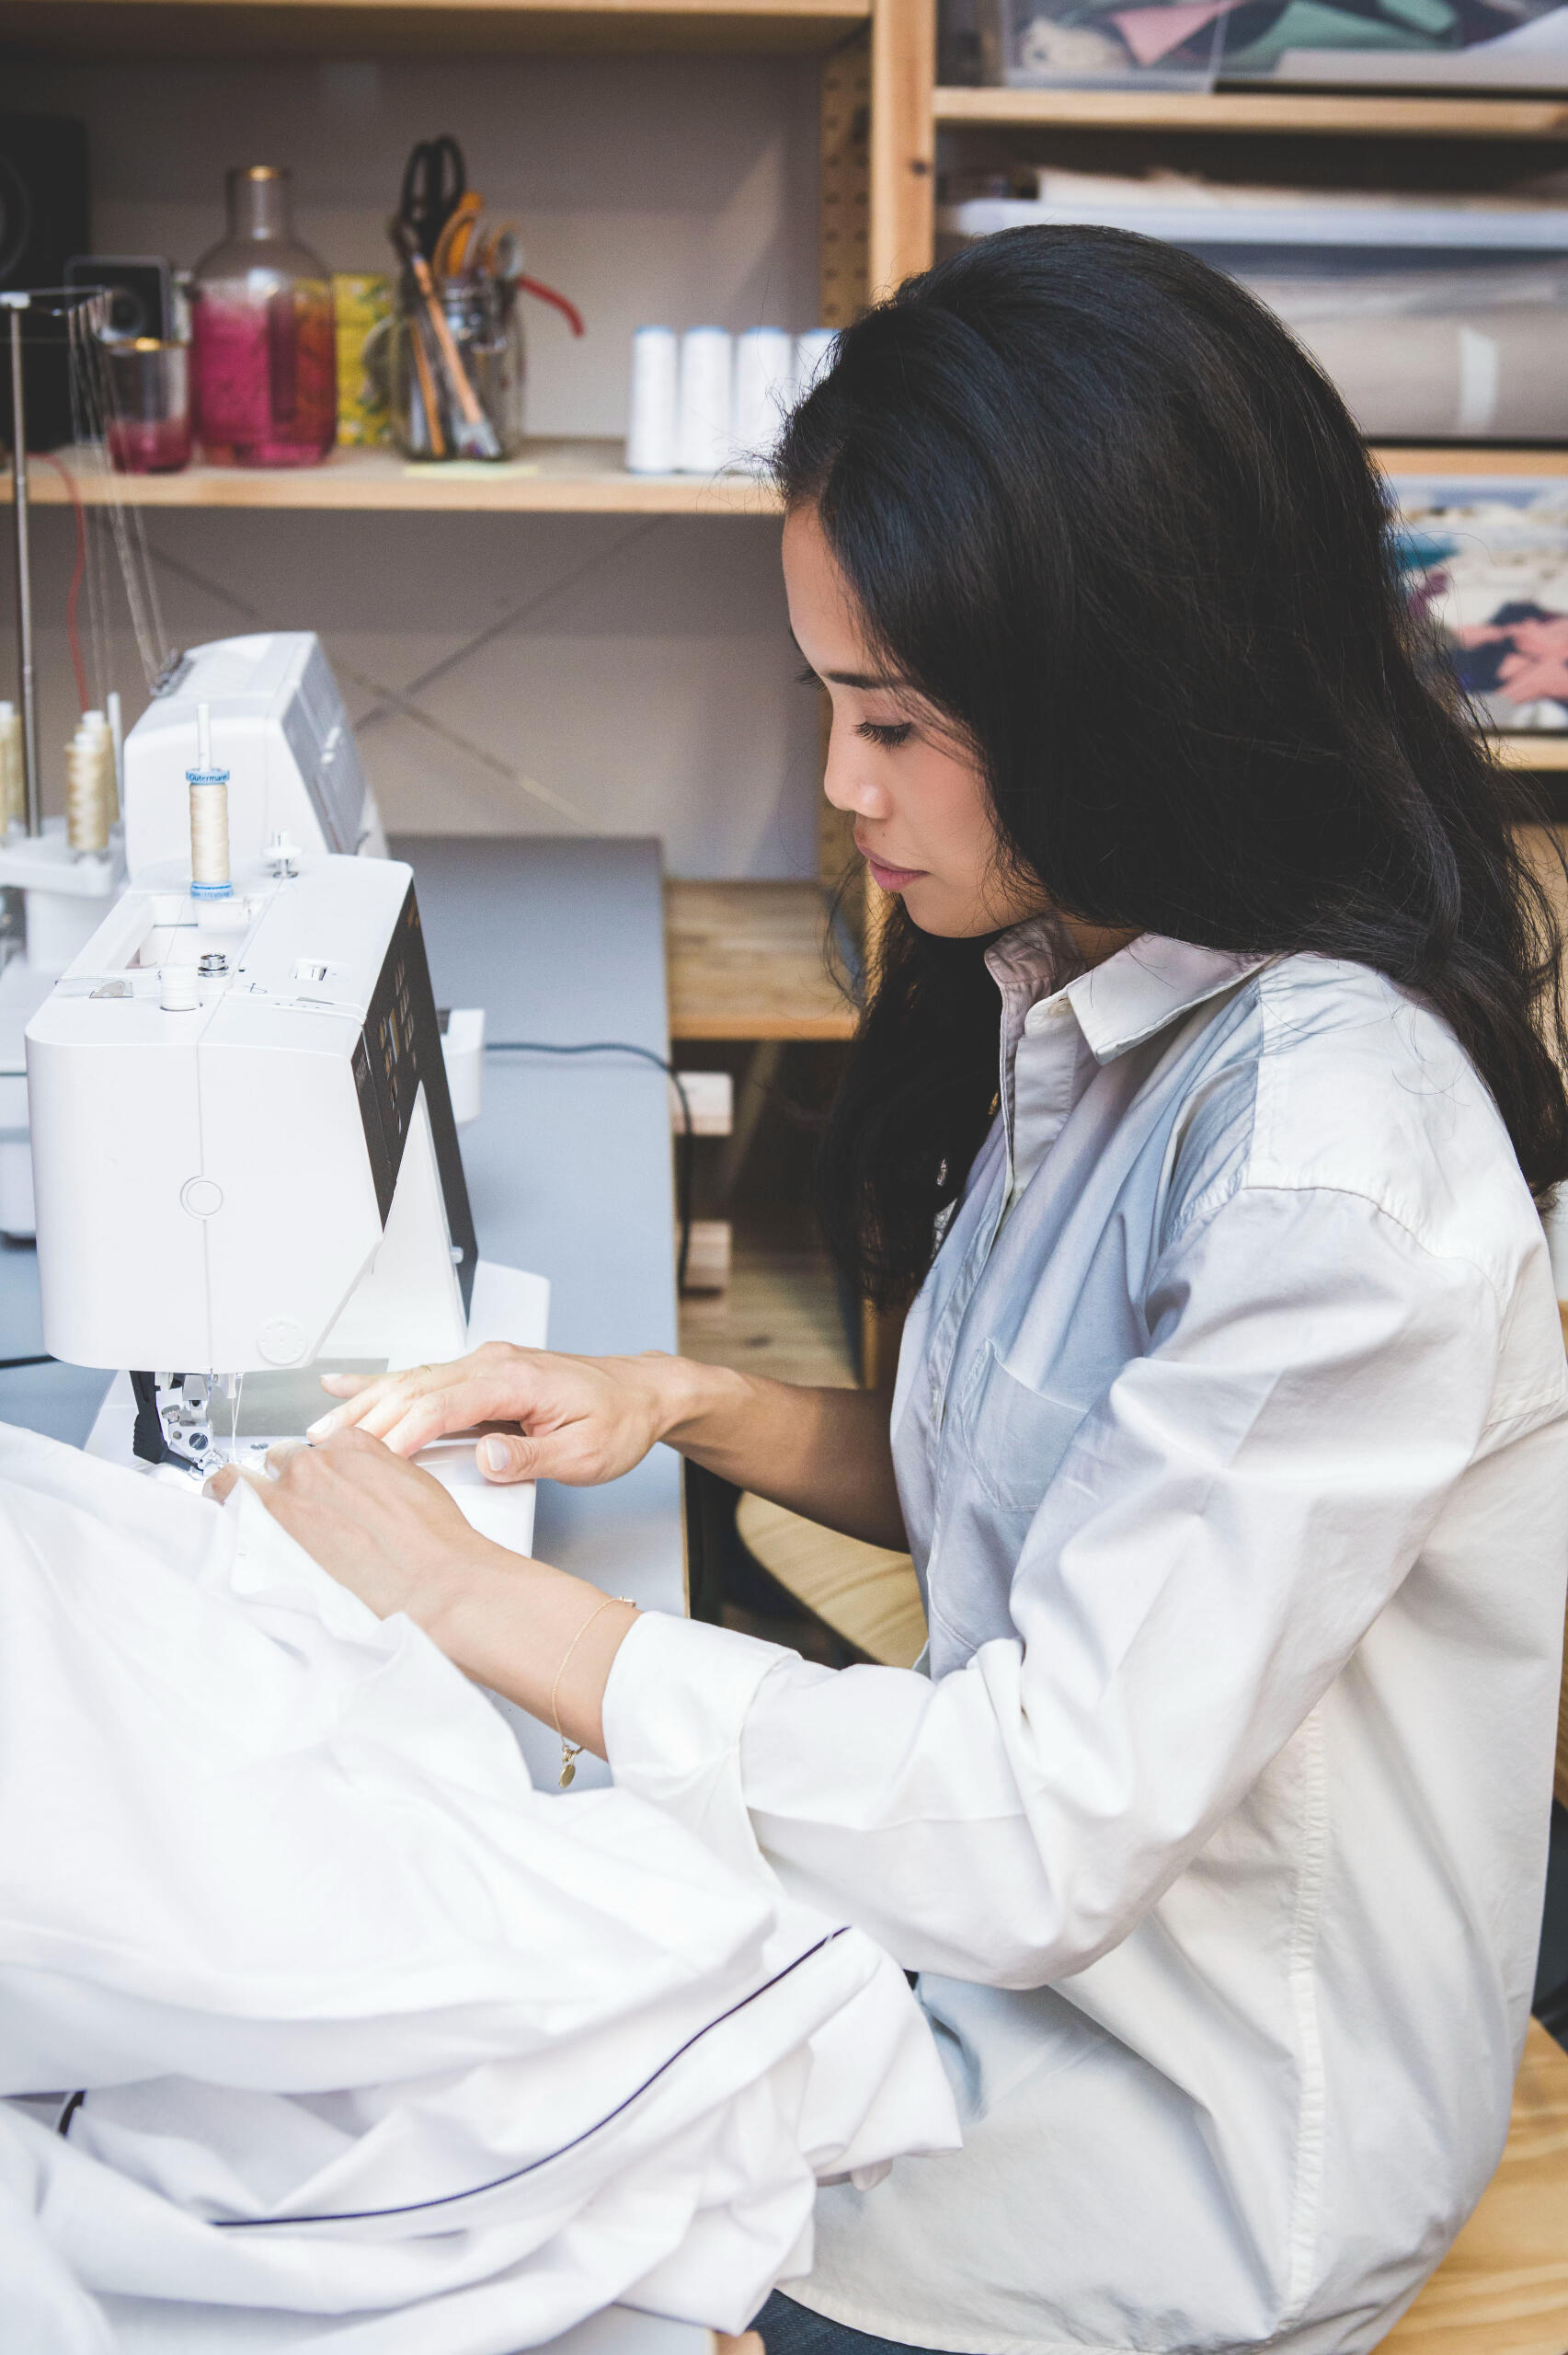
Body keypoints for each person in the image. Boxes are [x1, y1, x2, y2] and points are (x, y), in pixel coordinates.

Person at [212, 227, 1568, 2355]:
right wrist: (677, 1399)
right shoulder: (1084, 980)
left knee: (381, 2215)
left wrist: (486, 1600)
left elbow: (1034, 1821)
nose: (844, 784)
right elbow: (1028, 1492)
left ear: (1130, 689)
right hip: (1019, 1966)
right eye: (830, 701)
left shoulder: (1330, 1169)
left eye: (896, 718)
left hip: (1198, 2140)